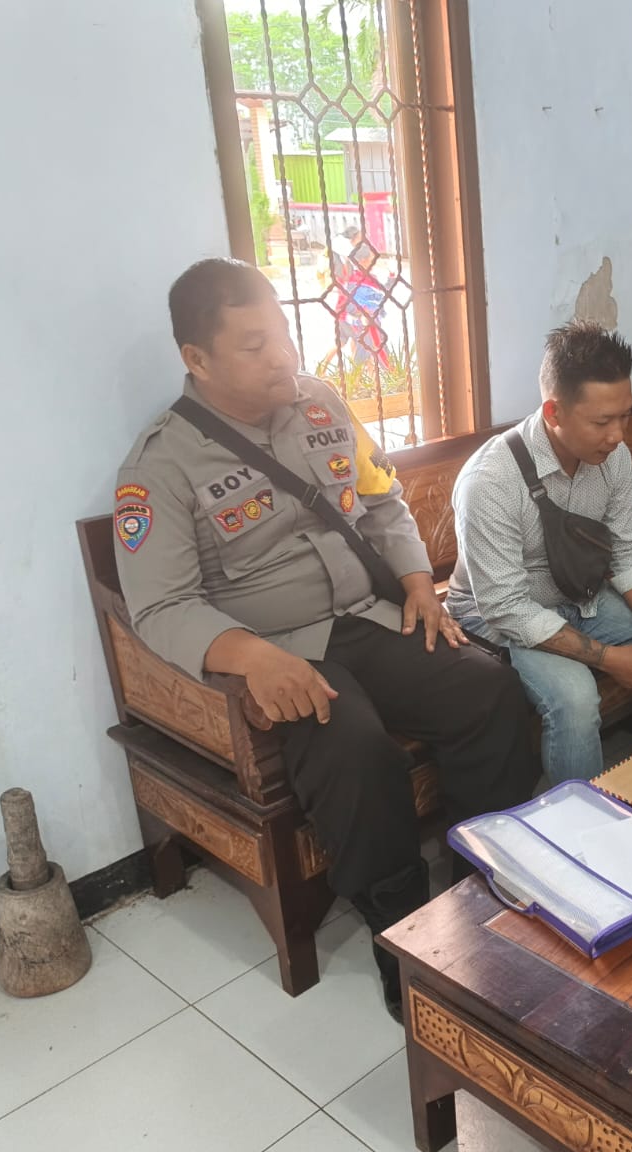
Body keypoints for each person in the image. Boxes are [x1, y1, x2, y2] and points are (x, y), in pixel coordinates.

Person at [113, 258, 539, 1022]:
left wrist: (417, 582)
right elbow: (160, 607)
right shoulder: (160, 465)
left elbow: (382, 501)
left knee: (490, 690)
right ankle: (403, 933)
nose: (283, 355)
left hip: (368, 616)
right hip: (280, 650)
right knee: (355, 749)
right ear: (197, 359)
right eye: (255, 345)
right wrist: (251, 657)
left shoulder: (321, 403)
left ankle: (480, 887)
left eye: (283, 333)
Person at [447, 321, 632, 784]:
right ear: (553, 412)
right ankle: (580, 823)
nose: (618, 435)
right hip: (495, 617)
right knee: (575, 697)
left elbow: (628, 550)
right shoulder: (490, 481)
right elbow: (505, 607)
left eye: (625, 416)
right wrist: (609, 658)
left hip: (577, 594)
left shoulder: (612, 458)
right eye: (601, 422)